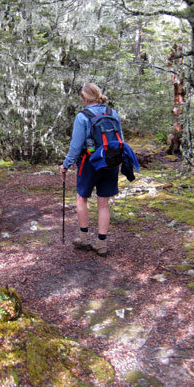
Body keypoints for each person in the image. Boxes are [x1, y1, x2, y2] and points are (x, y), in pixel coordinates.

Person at [59, 83, 124, 257]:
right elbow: (121, 140)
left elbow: (76, 145)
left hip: (89, 163)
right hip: (110, 162)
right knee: (103, 203)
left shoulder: (83, 116)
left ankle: (83, 237)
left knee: (82, 198)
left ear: (85, 98)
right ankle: (102, 243)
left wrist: (66, 164)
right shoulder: (113, 113)